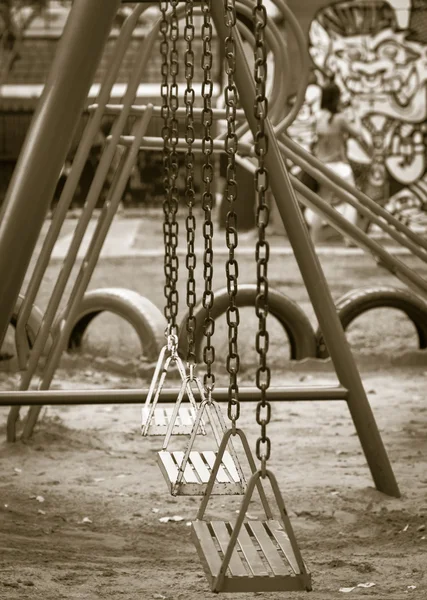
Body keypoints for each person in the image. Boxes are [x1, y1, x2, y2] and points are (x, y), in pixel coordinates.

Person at [305, 81, 367, 245]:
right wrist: (357, 117)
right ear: (336, 98)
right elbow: (358, 133)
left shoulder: (319, 118)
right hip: (340, 166)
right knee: (351, 201)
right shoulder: (339, 119)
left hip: (322, 166)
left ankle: (313, 238)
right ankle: (349, 238)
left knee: (322, 203)